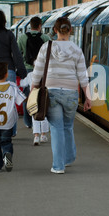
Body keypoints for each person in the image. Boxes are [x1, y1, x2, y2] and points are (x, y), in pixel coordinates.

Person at [31, 17, 91, 174]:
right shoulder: (77, 50)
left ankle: (58, 166)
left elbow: (38, 70)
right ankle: (69, 158)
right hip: (71, 93)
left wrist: (33, 88)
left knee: (56, 128)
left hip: (52, 92)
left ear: (55, 30)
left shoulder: (46, 47)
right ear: (70, 30)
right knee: (67, 126)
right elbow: (83, 76)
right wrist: (88, 97)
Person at [17, 16, 50, 128]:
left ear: (30, 26)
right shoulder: (46, 38)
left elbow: (18, 54)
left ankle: (28, 122)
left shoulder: (22, 38)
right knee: (43, 95)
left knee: (28, 95)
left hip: (27, 70)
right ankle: (41, 121)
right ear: (40, 26)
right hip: (42, 70)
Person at [20, 71, 50, 145]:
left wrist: (19, 80)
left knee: (34, 116)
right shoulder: (48, 74)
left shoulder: (30, 74)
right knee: (44, 116)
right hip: (44, 97)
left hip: (34, 97)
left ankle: (36, 137)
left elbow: (23, 83)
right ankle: (43, 135)